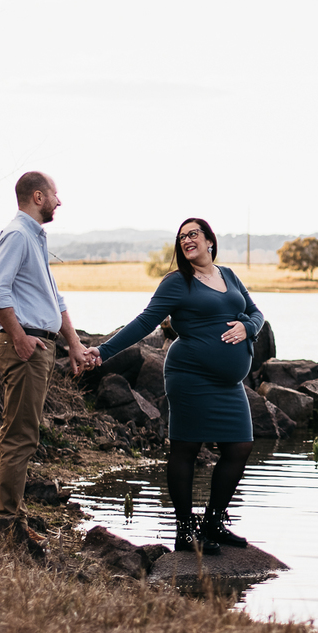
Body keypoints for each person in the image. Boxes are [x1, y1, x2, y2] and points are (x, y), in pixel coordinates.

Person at [88, 217, 263, 554]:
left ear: (210, 240)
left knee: (240, 446)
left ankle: (213, 522)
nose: (186, 240)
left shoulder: (228, 275)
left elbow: (256, 313)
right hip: (190, 375)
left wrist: (247, 328)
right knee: (186, 448)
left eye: (193, 234)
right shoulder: (177, 282)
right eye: (181, 237)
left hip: (228, 384)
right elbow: (143, 322)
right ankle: (185, 532)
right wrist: (103, 350)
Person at [0, 171, 93, 532]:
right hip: (26, 346)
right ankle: (6, 521)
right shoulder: (17, 234)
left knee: (15, 430)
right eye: (54, 195)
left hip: (40, 344)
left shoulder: (35, 238)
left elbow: (53, 297)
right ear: (37, 197)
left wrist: (74, 344)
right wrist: (18, 337)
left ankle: (6, 512)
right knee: (21, 435)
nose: (59, 201)